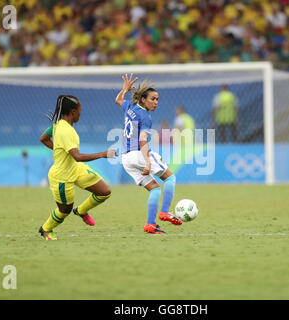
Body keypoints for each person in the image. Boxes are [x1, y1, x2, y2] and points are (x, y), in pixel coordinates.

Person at [39, 95, 116, 240]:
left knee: (104, 191)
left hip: (75, 169)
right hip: (62, 176)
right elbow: (77, 156)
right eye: (80, 110)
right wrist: (103, 154)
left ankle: (81, 211)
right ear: (73, 112)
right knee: (64, 210)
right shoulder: (65, 131)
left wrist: (59, 149)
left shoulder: (58, 125)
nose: (81, 113)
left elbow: (43, 138)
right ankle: (46, 229)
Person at [115, 74, 182, 234]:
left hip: (126, 158)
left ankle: (150, 225)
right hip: (139, 154)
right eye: (152, 99)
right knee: (170, 178)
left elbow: (118, 100)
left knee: (154, 189)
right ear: (143, 99)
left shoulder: (130, 107)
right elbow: (142, 139)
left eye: (157, 99)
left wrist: (124, 90)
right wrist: (148, 162)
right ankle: (164, 212)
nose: (156, 102)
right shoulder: (145, 117)